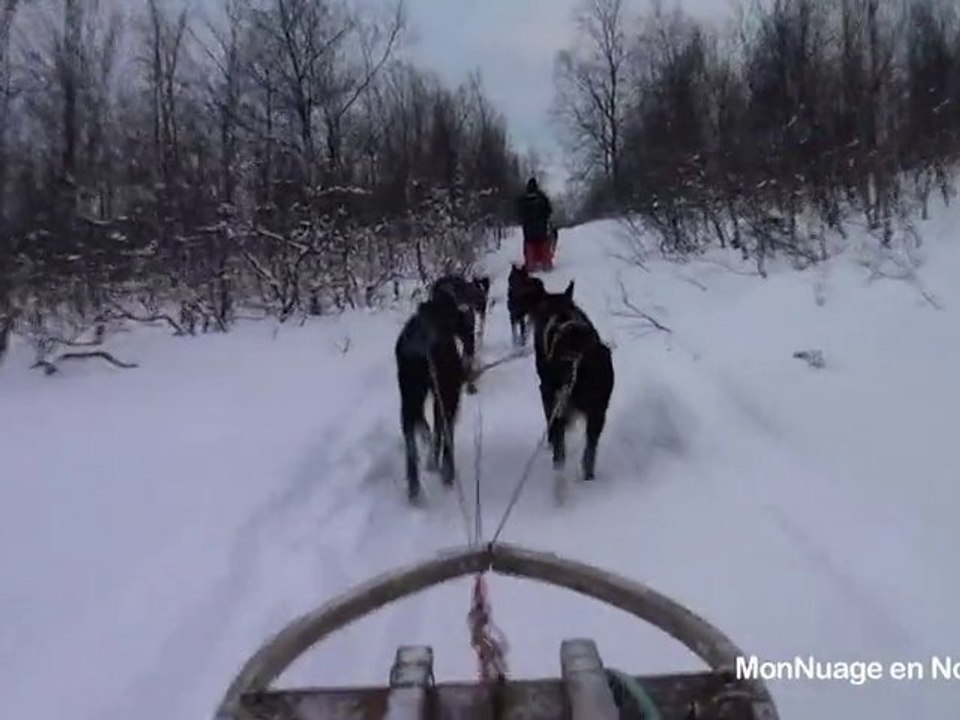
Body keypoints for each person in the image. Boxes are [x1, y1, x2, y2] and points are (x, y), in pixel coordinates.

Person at [516, 177, 553, 271]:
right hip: (541, 227)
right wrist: (543, 218)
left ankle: (531, 265)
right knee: (543, 244)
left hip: (528, 229)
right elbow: (549, 210)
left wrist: (525, 220)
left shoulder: (523, 199)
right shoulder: (542, 198)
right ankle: (546, 264)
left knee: (530, 245)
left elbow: (519, 213)